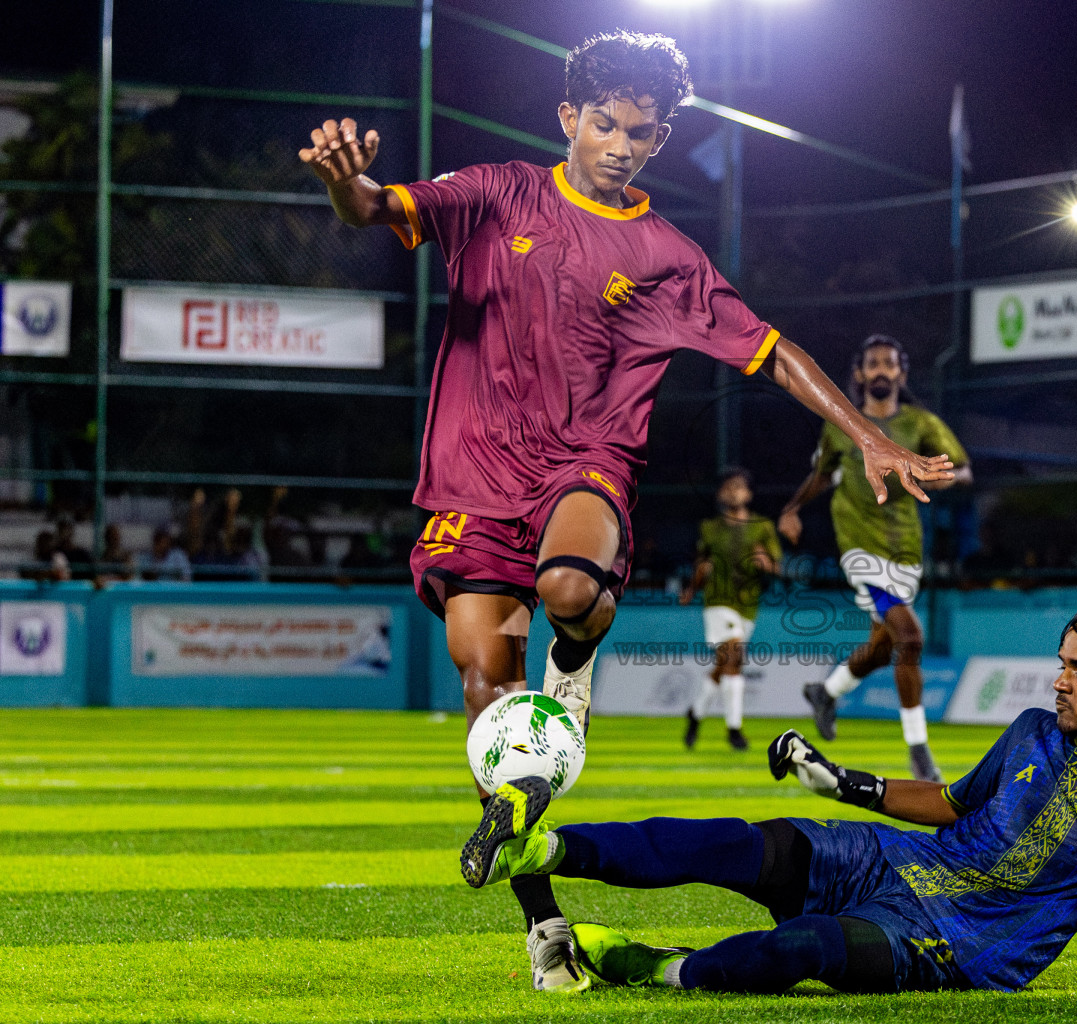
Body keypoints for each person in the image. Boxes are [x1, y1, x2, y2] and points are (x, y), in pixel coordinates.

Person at [299, 30, 953, 994]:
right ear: (569, 118)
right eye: (602, 122)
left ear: (658, 141)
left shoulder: (666, 256)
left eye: (639, 132)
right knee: (485, 685)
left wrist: (866, 434)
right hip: (472, 476)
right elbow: (374, 208)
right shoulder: (495, 194)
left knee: (568, 587)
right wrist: (340, 180)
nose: (617, 142)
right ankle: (545, 926)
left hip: (585, 466)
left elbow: (772, 351)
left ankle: (576, 656)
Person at [462, 596, 1077, 1000]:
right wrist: (846, 784)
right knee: (743, 844)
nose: (1060, 682)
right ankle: (544, 851)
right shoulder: (1031, 728)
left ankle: (655, 969)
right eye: (1061, 664)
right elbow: (949, 802)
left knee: (808, 950)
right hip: (901, 861)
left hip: (969, 943)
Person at [778, 335, 972, 783]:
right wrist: (791, 508)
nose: (881, 370)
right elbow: (821, 475)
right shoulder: (841, 424)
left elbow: (962, 469)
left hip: (905, 549)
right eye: (873, 364)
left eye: (890, 363)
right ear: (861, 373)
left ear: (901, 374)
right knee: (911, 636)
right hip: (859, 549)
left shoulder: (922, 423)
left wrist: (941, 477)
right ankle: (920, 752)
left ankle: (826, 692)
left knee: (884, 647)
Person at [678, 467, 781, 751]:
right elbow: (701, 564)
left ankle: (696, 715)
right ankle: (734, 729)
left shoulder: (762, 526)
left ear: (748, 493)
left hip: (748, 604)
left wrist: (766, 563)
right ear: (721, 494)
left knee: (724, 666)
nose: (733, 491)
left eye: (738, 486)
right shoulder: (710, 528)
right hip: (717, 601)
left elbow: (776, 566)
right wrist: (690, 590)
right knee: (735, 656)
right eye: (727, 487)